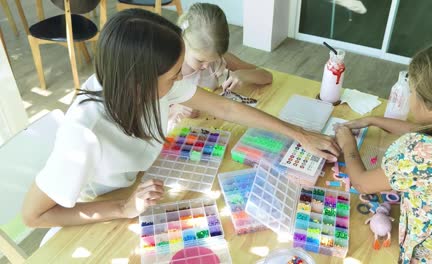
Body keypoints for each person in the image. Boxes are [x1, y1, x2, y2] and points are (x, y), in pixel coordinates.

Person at [22, 9, 339, 229]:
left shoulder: (149, 83)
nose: (183, 80)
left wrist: (299, 134)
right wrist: (122, 209)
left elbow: (226, 108)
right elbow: (34, 216)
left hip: (146, 178)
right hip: (108, 202)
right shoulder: (83, 133)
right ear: (140, 80)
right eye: (175, 76)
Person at [335, 43, 432, 263]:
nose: (410, 96)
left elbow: (363, 184)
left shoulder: (420, 152)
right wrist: (374, 120)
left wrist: (347, 142)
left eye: (412, 91)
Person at [169, 3, 272, 120]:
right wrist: (175, 109)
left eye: (212, 60)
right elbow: (148, 111)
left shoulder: (218, 59)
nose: (207, 66)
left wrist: (243, 75)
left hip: (208, 124)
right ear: (183, 42)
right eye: (200, 60)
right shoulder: (166, 68)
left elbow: (267, 76)